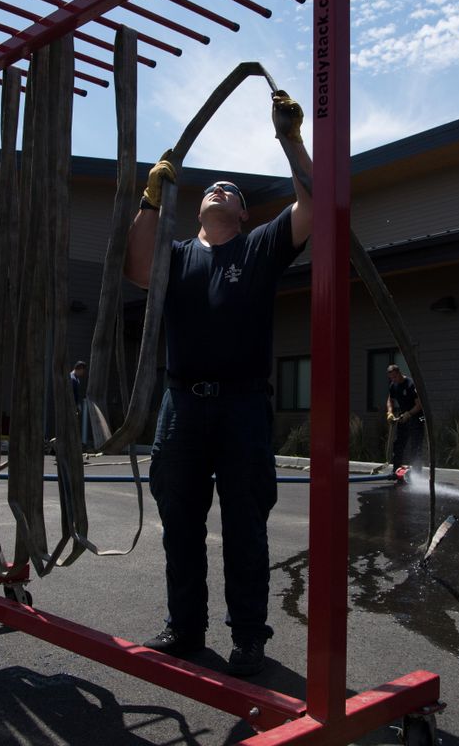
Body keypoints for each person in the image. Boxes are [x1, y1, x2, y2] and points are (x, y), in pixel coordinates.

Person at [124, 91, 310, 677]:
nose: (220, 189)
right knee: (179, 521)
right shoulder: (177, 256)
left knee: (244, 526)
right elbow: (135, 266)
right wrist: (151, 196)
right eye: (211, 188)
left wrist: (289, 137)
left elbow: (315, 203)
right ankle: (185, 627)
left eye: (231, 190)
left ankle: (248, 637)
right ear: (196, 206)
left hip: (243, 408)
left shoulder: (258, 249)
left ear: (244, 212)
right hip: (182, 405)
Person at [385, 364, 423, 480]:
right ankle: (395, 471)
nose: (394, 380)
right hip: (403, 417)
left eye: (395, 377)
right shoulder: (393, 385)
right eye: (391, 378)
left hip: (417, 417)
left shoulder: (411, 384)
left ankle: (416, 475)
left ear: (399, 373)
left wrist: (409, 414)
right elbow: (390, 400)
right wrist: (390, 412)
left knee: (415, 446)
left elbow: (419, 405)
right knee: (398, 444)